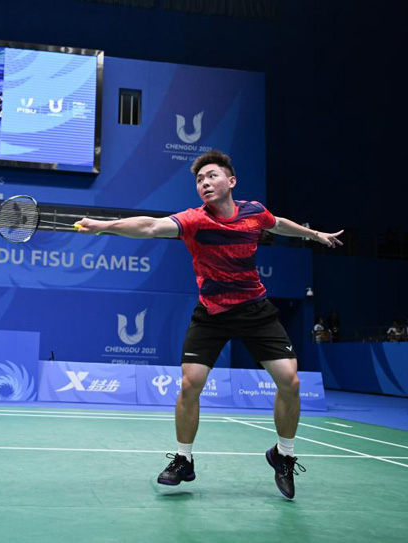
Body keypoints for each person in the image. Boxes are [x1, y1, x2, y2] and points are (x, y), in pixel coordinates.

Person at [75, 150, 344, 500]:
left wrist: (314, 234)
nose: (204, 183)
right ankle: (183, 460)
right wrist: (104, 226)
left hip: (254, 309)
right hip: (212, 312)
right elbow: (151, 227)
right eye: (199, 179)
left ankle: (283, 454)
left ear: (231, 181)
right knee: (191, 383)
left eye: (212, 176)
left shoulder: (253, 212)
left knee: (289, 381)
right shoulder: (194, 220)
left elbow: (276, 223)